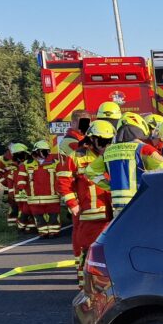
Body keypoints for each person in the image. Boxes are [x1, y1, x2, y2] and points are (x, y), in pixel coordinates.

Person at [57, 121, 113, 286]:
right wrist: (72, 203)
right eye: (102, 141)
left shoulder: (113, 153)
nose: (105, 145)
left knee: (111, 252)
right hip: (90, 216)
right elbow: (63, 181)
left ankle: (108, 286)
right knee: (89, 252)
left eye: (108, 141)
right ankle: (86, 286)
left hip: (114, 214)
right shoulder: (77, 156)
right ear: (92, 139)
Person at [86, 112, 163, 216]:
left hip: (118, 208)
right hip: (140, 204)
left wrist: (111, 185)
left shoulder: (108, 151)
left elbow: (90, 172)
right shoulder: (145, 149)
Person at [26, 140, 62, 237]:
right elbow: (21, 179)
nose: (44, 153)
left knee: (54, 215)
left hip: (52, 197)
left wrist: (61, 191)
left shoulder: (55, 163)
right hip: (34, 199)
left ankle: (54, 232)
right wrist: (21, 189)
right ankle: (43, 233)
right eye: (42, 151)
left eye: (46, 151)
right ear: (36, 151)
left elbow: (61, 178)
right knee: (39, 217)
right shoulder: (27, 164)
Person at [0, 143, 19, 227]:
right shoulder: (3, 159)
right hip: (9, 188)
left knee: (22, 206)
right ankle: (12, 225)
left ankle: (20, 224)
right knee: (13, 206)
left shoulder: (22, 156)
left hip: (21, 186)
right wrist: (6, 183)